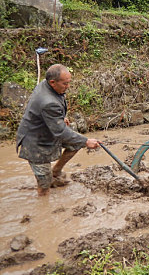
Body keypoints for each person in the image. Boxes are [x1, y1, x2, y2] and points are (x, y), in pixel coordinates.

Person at [16, 64, 100, 196]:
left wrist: (59, 118)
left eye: (69, 83)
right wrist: (86, 141)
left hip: (46, 129)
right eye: (65, 84)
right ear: (52, 82)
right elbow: (61, 132)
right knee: (44, 185)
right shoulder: (48, 102)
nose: (68, 87)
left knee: (75, 143)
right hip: (35, 143)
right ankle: (44, 207)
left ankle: (56, 172)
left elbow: (53, 112)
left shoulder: (47, 85)